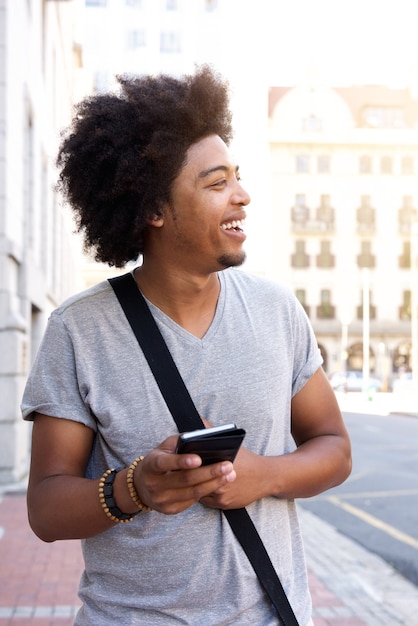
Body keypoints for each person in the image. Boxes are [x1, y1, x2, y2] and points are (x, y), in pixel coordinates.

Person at [22, 65, 352, 626]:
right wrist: (133, 487)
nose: (243, 197)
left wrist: (263, 475)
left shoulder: (277, 311)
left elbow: (334, 448)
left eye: (238, 178)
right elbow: (46, 509)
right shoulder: (79, 330)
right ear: (154, 209)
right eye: (217, 183)